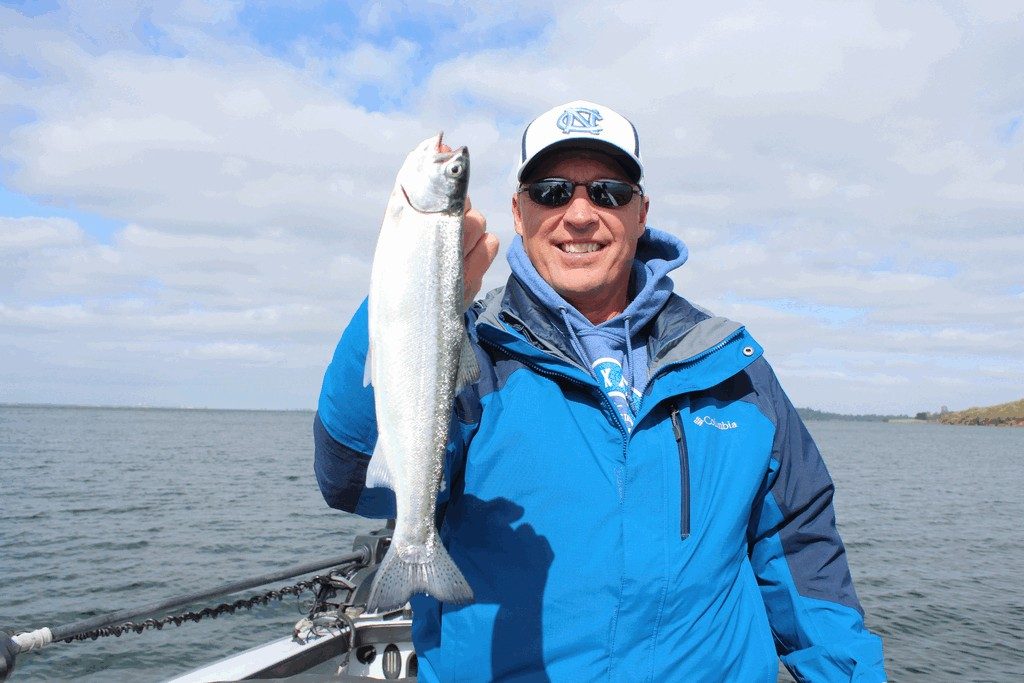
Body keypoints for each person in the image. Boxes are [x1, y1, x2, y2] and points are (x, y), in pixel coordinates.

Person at [314, 100, 886, 681]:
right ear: (518, 211)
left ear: (641, 213)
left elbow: (802, 547)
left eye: (608, 191)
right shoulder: (472, 356)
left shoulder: (729, 366)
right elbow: (351, 480)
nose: (580, 214)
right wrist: (418, 296)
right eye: (553, 191)